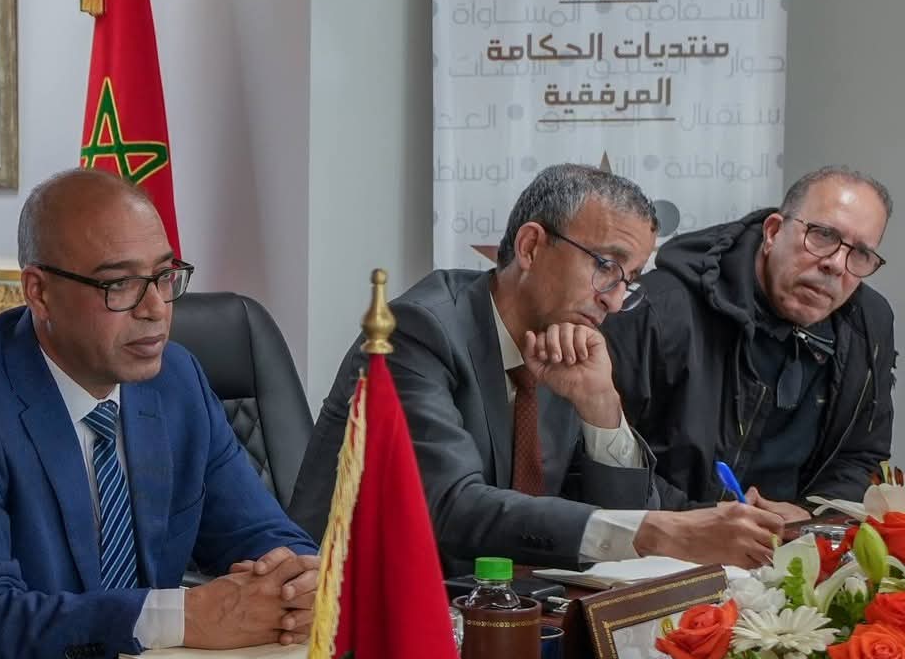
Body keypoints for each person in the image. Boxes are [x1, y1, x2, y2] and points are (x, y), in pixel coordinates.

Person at [0, 168, 319, 659]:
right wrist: (182, 617)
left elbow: (263, 535)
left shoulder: (176, 380)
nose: (155, 309)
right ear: (39, 293)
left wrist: (300, 585)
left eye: (164, 276)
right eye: (120, 284)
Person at [292, 164, 784, 571]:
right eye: (606, 266)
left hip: (492, 610)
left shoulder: (563, 342)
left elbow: (621, 514)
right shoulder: (416, 332)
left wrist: (601, 409)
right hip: (350, 614)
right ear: (530, 247)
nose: (614, 301)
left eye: (629, 280)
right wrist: (654, 533)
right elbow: (451, 508)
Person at [605, 167, 895, 511]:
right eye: (823, 235)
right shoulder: (659, 310)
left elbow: (859, 455)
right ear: (773, 232)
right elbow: (605, 458)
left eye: (860, 253)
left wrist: (808, 515)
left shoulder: (867, 324)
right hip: (667, 534)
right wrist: (700, 522)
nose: (836, 264)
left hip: (795, 537)